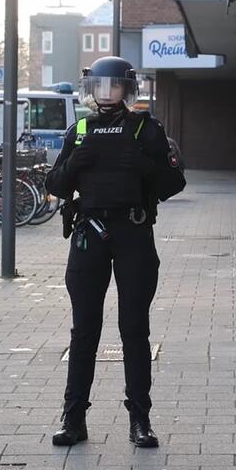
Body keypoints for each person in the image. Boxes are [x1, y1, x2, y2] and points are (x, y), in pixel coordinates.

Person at [45, 56, 186, 448]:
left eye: (114, 86)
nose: (106, 93)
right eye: (100, 86)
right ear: (91, 89)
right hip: (89, 232)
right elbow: (55, 184)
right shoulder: (80, 130)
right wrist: (74, 163)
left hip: (133, 231)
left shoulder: (146, 129)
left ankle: (140, 420)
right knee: (84, 330)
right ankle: (73, 419)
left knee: (134, 328)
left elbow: (174, 182)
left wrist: (143, 165)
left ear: (128, 88)